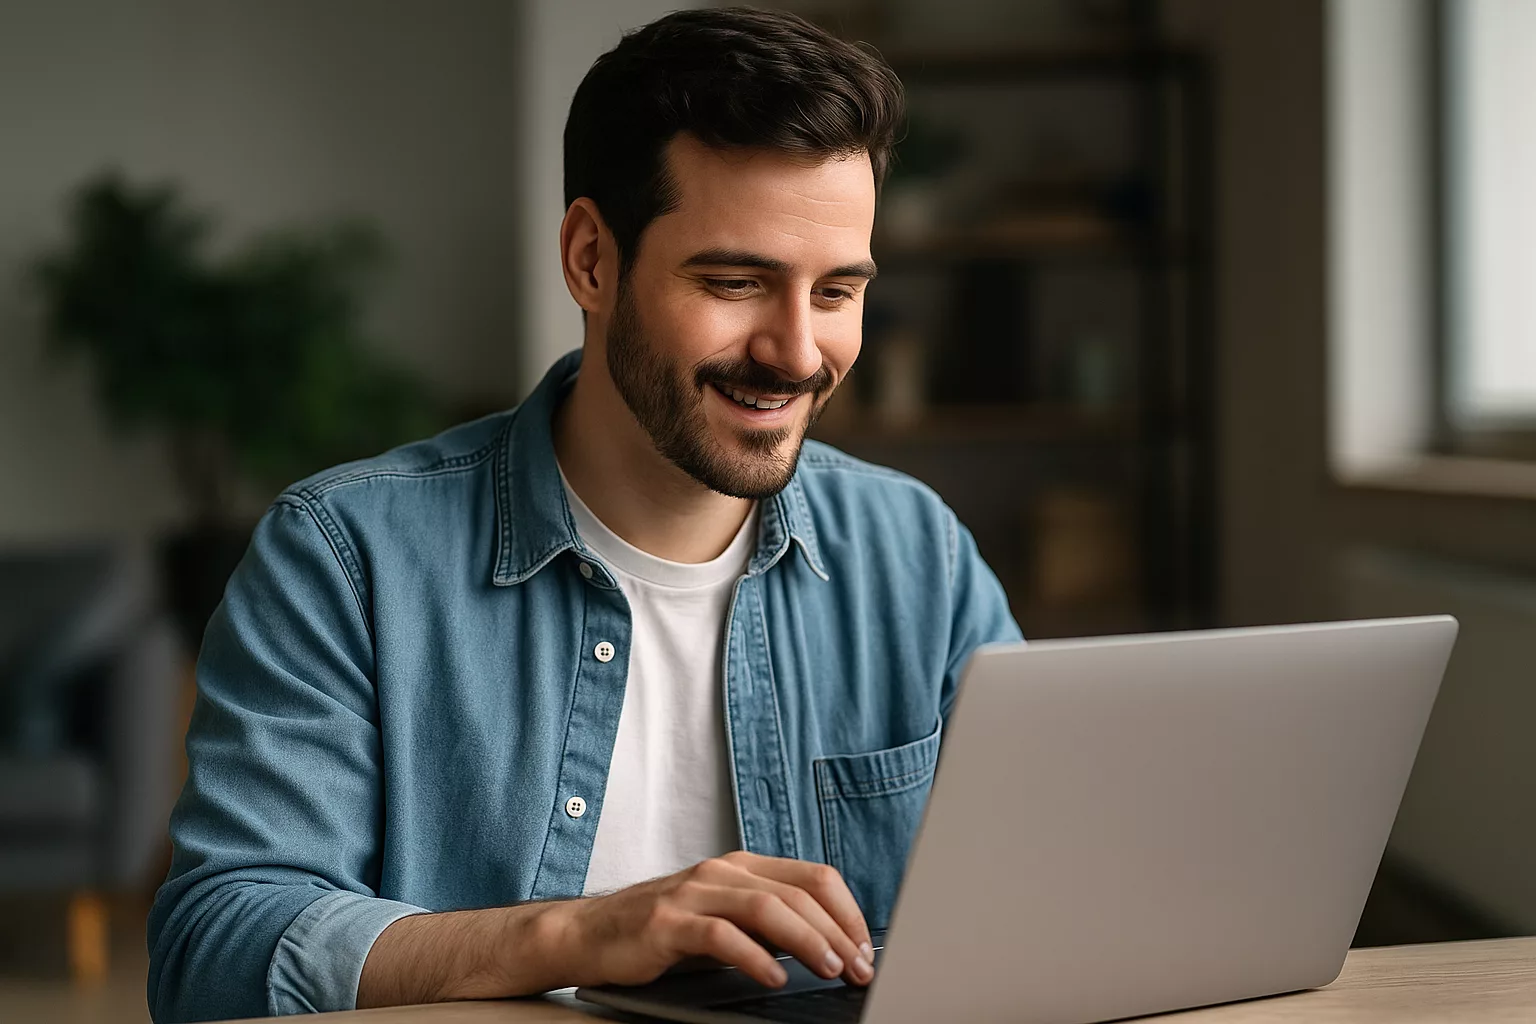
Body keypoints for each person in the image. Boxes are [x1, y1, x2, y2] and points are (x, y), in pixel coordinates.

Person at [147, 8, 1021, 1021]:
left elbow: (1050, 884)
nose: (796, 351)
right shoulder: (346, 557)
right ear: (591, 259)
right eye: (735, 282)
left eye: (836, 291)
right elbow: (215, 949)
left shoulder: (919, 555)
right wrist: (582, 933)